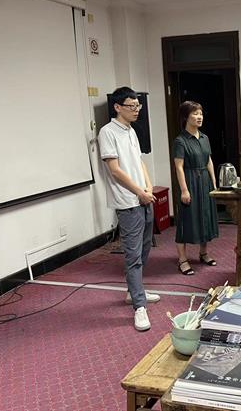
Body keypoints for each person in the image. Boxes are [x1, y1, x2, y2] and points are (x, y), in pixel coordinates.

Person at [98, 86, 159, 332]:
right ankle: (139, 306)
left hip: (143, 197)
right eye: (131, 106)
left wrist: (148, 186)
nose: (136, 110)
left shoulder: (131, 130)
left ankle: (134, 291)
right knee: (133, 256)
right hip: (128, 201)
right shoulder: (107, 132)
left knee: (145, 248)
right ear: (117, 107)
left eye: (138, 106)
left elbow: (140, 162)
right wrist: (139, 192)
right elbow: (115, 170)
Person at [173, 101, 219, 275]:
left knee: (205, 217)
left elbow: (209, 161)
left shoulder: (205, 138)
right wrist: (184, 190)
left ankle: (203, 253)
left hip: (205, 181)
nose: (199, 117)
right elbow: (178, 167)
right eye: (195, 114)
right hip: (190, 181)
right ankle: (182, 260)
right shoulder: (180, 141)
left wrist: (214, 182)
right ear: (186, 116)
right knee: (186, 222)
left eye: (201, 113)